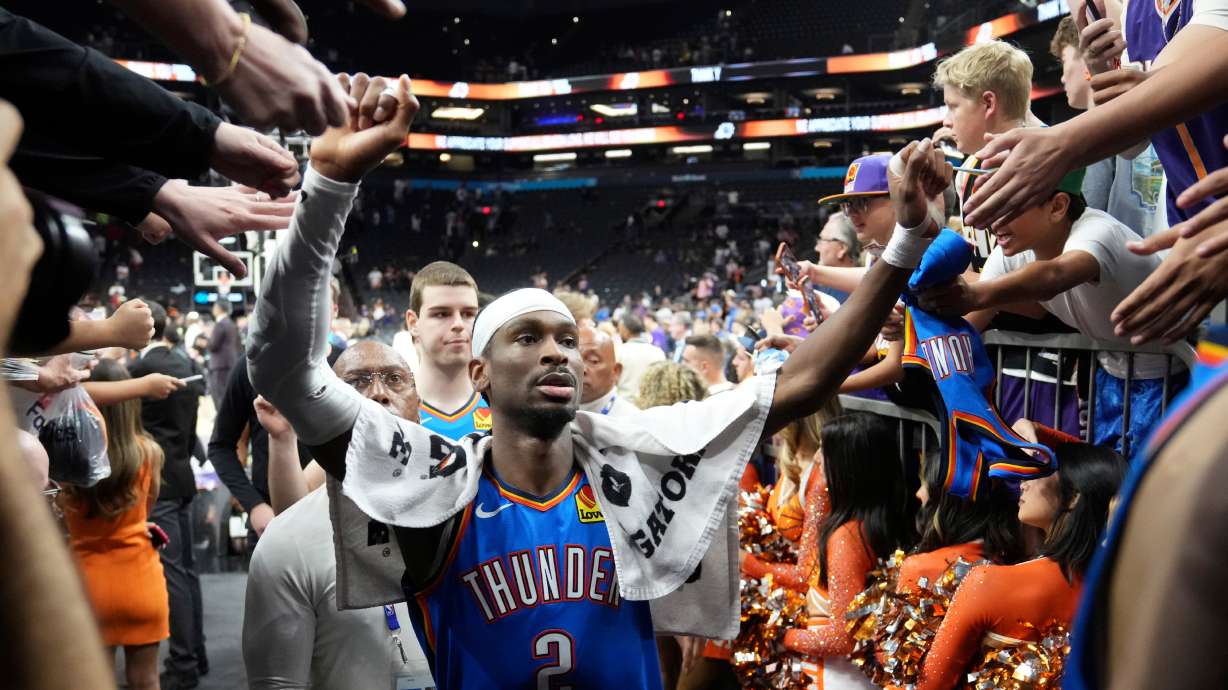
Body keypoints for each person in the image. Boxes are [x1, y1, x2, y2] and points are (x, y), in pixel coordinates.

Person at [247, 72, 952, 690]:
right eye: (529, 339)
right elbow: (284, 364)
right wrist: (329, 185)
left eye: (565, 340)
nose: (558, 353)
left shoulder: (639, 455)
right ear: (481, 372)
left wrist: (906, 243)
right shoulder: (438, 487)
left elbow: (801, 380)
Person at [918, 169, 1190, 455]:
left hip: (1172, 378)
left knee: (1155, 490)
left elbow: (1055, 275)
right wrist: (916, 328)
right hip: (1109, 376)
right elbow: (966, 323)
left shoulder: (1098, 232)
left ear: (1058, 206)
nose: (994, 221)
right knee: (1108, 488)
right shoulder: (1012, 250)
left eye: (1007, 207)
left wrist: (974, 295)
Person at [243, 341, 432, 690]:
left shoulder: (463, 515)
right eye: (357, 382)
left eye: (394, 379)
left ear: (418, 405)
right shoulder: (286, 541)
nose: (378, 394)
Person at [916, 442, 1126, 690]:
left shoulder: (988, 582)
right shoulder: (1120, 593)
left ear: (1073, 497)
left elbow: (929, 684)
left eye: (1036, 473)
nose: (1022, 483)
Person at [780, 413, 916, 688]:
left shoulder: (848, 538)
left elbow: (843, 638)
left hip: (839, 678)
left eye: (825, 451)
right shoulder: (892, 520)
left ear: (849, 464)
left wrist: (786, 637)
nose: (817, 459)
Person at [60, 359, 169, 690]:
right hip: (140, 581)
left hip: (86, 584)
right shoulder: (149, 453)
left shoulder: (67, 459)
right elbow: (145, 510)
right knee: (147, 681)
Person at [128, 301, 208, 690]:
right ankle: (197, 655)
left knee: (174, 576)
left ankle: (184, 664)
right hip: (183, 477)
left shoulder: (139, 369)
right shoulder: (185, 363)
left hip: (158, 484)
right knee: (187, 573)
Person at [1051, 15, 1165, 240]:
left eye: (1064, 62)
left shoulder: (1095, 124)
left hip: (1120, 255)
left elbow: (1089, 207)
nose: (1062, 78)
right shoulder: (1146, 103)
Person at [933, 39, 1037, 256]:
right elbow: (977, 266)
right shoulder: (967, 172)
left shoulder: (1046, 164)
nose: (946, 121)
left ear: (989, 103)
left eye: (953, 107)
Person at [403, 261, 490, 439]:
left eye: (468, 314)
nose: (458, 324)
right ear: (413, 323)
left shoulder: (505, 407)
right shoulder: (390, 412)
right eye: (442, 314)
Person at [579, 326, 638, 417]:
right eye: (575, 360)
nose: (581, 369)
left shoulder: (632, 421)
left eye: (593, 361)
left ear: (616, 371)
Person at [814, 211, 862, 303]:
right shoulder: (823, 285)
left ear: (842, 249)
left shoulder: (851, 297)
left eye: (823, 240)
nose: (816, 248)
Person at [617, 314, 666, 400]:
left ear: (625, 330)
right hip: (650, 405)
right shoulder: (658, 352)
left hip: (624, 404)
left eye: (620, 329)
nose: (619, 332)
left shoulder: (619, 351)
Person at [207, 299, 241, 410]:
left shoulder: (220, 324)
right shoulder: (231, 323)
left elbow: (213, 345)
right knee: (226, 394)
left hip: (219, 364)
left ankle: (221, 421)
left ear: (219, 308)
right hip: (230, 362)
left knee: (219, 395)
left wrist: (206, 341)